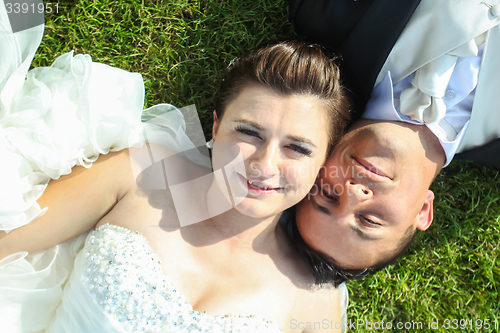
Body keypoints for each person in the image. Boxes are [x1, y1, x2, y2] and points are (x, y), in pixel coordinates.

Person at [0, 5, 352, 331]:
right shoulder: (139, 175)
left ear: (323, 163)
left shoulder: (312, 301)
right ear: (215, 128)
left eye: (297, 148)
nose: (264, 163)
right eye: (248, 132)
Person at [284, 0, 500, 279]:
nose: (351, 193)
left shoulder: (324, 14)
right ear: (423, 211)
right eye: (369, 220)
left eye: (327, 194)